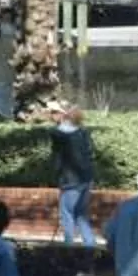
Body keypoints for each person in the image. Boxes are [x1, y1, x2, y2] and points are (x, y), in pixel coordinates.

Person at [49, 101, 99, 246]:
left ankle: (68, 250)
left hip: (70, 181)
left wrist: (56, 175)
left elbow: (57, 160)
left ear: (62, 114)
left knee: (67, 215)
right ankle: (90, 247)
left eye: (54, 112)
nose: (51, 115)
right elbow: (90, 154)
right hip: (86, 179)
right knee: (81, 215)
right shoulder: (83, 132)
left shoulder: (57, 134)